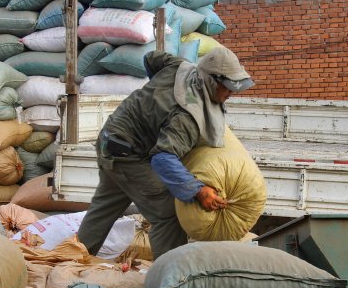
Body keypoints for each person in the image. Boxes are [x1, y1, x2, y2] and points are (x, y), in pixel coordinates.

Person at [77, 46, 255, 260]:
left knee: (104, 207)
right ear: (210, 80)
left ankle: (70, 259)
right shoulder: (187, 117)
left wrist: (155, 96)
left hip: (110, 139)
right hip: (129, 155)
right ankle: (169, 279)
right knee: (169, 213)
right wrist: (198, 190)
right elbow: (163, 159)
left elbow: (151, 58)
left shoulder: (180, 66)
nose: (231, 93)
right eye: (227, 87)